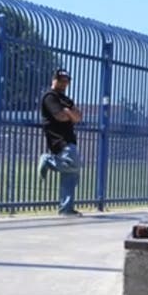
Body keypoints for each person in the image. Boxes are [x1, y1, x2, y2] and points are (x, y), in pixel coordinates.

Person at [37, 68, 83, 216]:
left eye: (66, 81)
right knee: (74, 167)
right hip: (58, 139)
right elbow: (60, 116)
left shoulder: (67, 99)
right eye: (60, 80)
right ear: (54, 80)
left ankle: (66, 209)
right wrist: (69, 113)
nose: (63, 83)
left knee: (71, 175)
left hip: (69, 138)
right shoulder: (49, 97)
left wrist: (68, 112)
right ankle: (48, 160)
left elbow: (78, 117)